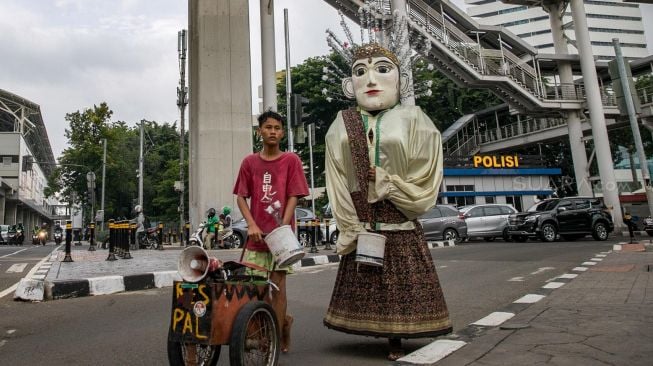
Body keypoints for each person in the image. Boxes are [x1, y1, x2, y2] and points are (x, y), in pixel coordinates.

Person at [323, 43, 452, 360]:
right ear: (349, 84)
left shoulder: (415, 119)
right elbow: (336, 178)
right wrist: (349, 223)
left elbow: (425, 175)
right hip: (363, 220)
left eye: (382, 69)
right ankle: (372, 327)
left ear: (401, 81)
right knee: (367, 279)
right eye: (360, 72)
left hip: (400, 219)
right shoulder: (342, 123)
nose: (370, 80)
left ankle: (398, 337)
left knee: (399, 284)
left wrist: (389, 183)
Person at [233, 110, 309, 353]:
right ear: (260, 132)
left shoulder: (291, 161)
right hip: (256, 239)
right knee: (256, 290)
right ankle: (269, 328)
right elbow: (241, 197)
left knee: (278, 289)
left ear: (282, 132)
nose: (273, 131)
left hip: (281, 240)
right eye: (268, 127)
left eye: (277, 127)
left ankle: (277, 333)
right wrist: (252, 224)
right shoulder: (249, 162)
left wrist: (282, 227)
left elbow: (293, 195)